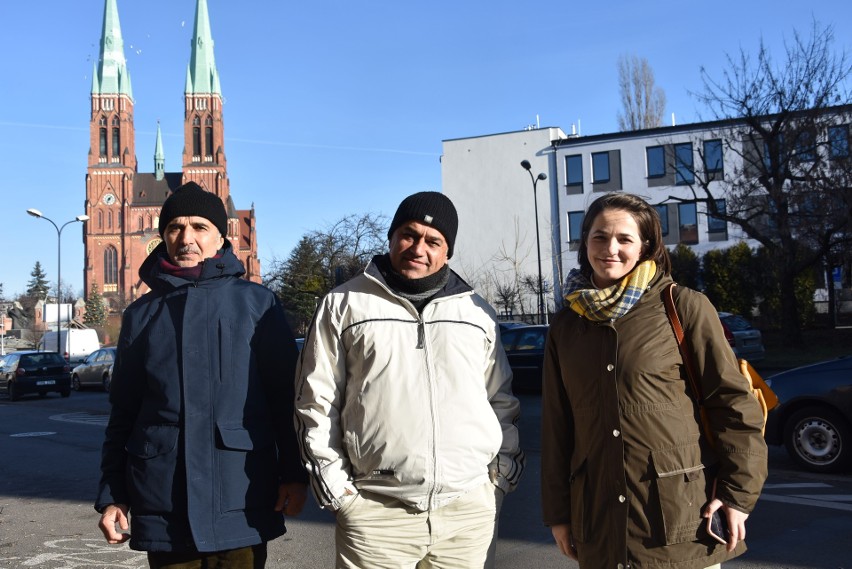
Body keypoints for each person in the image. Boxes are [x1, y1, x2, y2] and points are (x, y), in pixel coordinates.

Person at [294, 191, 524, 568]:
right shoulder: (343, 304)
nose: (419, 248)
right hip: (375, 514)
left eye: (433, 241)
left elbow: (501, 400)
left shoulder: (476, 312)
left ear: (447, 251)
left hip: (467, 512)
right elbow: (315, 404)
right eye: (408, 234)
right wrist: (340, 493)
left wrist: (498, 480)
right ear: (391, 236)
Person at [541, 192, 768, 569]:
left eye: (624, 239)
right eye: (599, 236)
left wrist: (738, 494)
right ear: (585, 242)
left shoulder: (683, 306)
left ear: (645, 246)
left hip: (680, 520)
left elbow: (733, 405)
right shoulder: (567, 325)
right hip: (598, 521)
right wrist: (559, 515)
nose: (609, 248)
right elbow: (556, 426)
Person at [95, 181, 308, 567]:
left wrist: (293, 473)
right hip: (165, 505)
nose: (186, 238)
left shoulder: (257, 304)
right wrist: (113, 493)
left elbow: (284, 401)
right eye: (175, 227)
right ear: (163, 236)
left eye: (199, 227)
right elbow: (123, 412)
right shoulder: (141, 315)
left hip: (241, 498)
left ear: (219, 236)